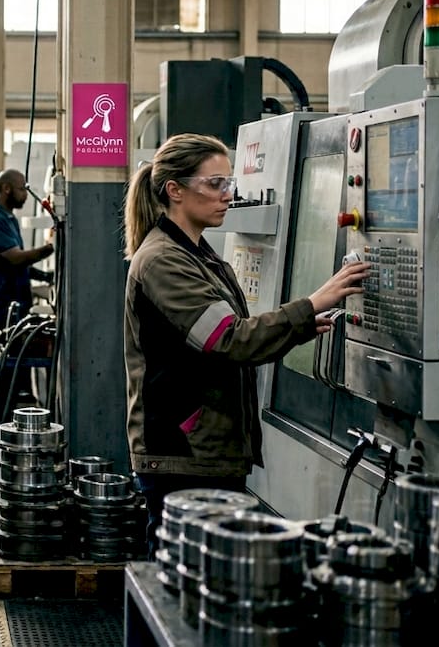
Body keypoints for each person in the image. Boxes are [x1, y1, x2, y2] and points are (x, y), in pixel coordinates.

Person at [123, 133, 371, 556]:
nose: (228, 195)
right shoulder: (164, 259)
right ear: (175, 190)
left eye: (229, 183)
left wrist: (298, 327)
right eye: (215, 184)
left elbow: (229, 334)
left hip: (205, 450)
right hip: (184, 453)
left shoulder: (198, 254)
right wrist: (312, 303)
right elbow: (228, 339)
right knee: (181, 576)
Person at [0, 169, 54, 443]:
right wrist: (50, 248)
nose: (25, 195)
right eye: (21, 189)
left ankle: (2, 439)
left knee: (10, 382)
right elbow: (15, 258)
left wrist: (46, 276)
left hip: (14, 310)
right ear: (6, 188)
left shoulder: (8, 219)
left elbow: (19, 267)